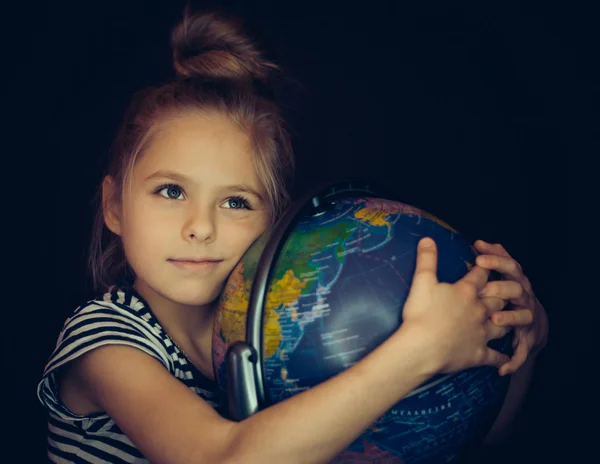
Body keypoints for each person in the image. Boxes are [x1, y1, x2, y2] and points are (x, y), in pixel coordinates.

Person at [37, 6, 549, 464]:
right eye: (170, 191)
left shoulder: (286, 323)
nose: (200, 227)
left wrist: (522, 341)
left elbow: (480, 433)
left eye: (236, 202)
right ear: (113, 207)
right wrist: (418, 352)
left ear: (273, 224)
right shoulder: (102, 339)